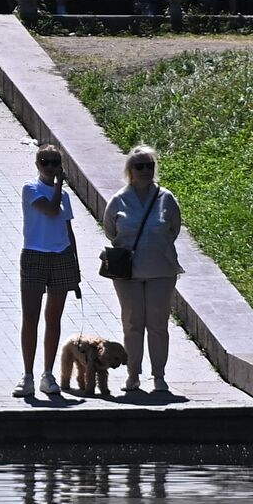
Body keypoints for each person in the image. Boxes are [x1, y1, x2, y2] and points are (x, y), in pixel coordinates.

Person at [102, 145, 182, 394]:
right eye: (139, 166)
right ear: (130, 170)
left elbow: (174, 228)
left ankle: (159, 375)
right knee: (133, 323)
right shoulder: (119, 199)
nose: (145, 170)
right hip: (128, 274)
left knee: (158, 325)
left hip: (161, 271)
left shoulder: (166, 198)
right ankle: (133, 374)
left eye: (149, 165)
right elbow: (110, 230)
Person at [14, 144, 79, 398]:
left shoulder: (64, 196)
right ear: (37, 164)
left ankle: (48, 374)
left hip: (60, 256)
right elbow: (50, 210)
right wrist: (59, 185)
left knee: (54, 319)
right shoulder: (31, 188)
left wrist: (75, 264)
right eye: (45, 161)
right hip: (34, 255)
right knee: (30, 318)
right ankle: (27, 375)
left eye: (54, 162)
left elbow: (67, 228)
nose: (50, 167)